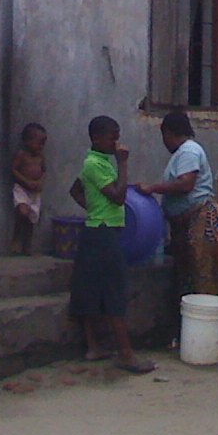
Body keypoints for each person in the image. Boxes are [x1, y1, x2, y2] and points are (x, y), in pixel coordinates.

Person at [67, 115, 155, 375]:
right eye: (112, 138)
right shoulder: (96, 164)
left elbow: (75, 190)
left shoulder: (95, 163)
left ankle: (94, 347)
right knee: (114, 292)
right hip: (103, 234)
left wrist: (92, 208)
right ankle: (126, 354)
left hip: (97, 230)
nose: (117, 143)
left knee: (90, 289)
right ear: (96, 138)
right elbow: (118, 198)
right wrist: (124, 165)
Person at [134, 111, 218, 299]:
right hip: (186, 224)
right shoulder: (184, 152)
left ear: (169, 133)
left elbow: (186, 184)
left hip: (200, 220)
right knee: (191, 278)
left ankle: (207, 323)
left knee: (204, 277)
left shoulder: (189, 150)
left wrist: (152, 188)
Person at [10, 122, 47, 255]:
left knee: (32, 218)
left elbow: (44, 171)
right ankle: (16, 237)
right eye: (39, 143)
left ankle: (27, 245)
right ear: (27, 141)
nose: (41, 147)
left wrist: (40, 182)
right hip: (22, 189)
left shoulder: (40, 156)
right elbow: (13, 170)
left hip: (34, 192)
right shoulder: (22, 154)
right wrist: (26, 181)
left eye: (43, 144)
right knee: (23, 212)